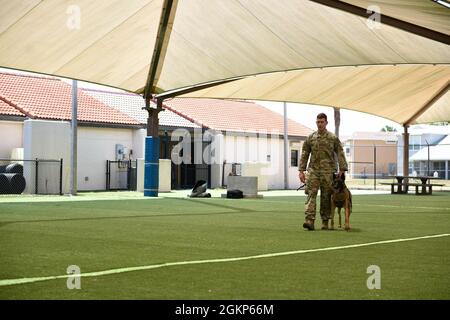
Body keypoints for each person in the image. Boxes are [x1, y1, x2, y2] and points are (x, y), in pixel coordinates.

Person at [299, 113, 348, 231]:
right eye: (318, 122)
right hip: (313, 171)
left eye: (322, 122)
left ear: (326, 123)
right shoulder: (311, 138)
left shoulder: (332, 138)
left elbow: (340, 152)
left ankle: (325, 221)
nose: (320, 124)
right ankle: (309, 220)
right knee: (311, 195)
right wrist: (301, 170)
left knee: (326, 196)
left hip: (328, 172)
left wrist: (342, 169)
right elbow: (305, 154)